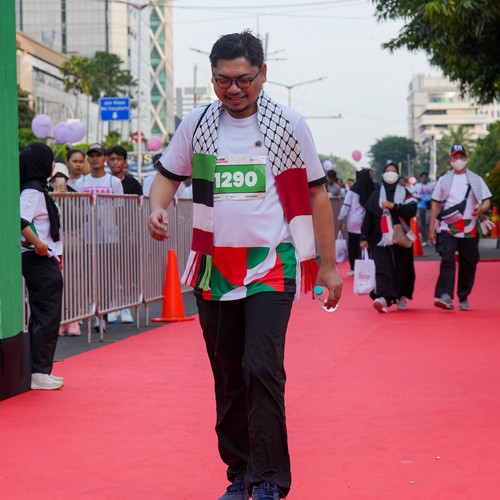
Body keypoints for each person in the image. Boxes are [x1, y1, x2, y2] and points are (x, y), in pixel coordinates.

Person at [147, 30, 342, 500]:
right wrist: (156, 207)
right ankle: (240, 474)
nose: (233, 90)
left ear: (263, 74)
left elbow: (316, 193)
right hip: (214, 270)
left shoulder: (288, 124)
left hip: (272, 266)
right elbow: (167, 177)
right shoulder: (197, 124)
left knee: (262, 368)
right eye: (223, 80)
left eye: (244, 79)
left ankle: (270, 478)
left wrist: (329, 265)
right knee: (229, 374)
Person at [20, 143, 64, 390]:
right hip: (38, 258)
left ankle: (39, 369)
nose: (53, 165)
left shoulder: (34, 190)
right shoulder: (33, 192)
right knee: (46, 314)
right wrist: (39, 245)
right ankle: (39, 371)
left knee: (43, 314)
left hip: (41, 258)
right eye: (50, 160)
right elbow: (20, 221)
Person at [429, 144, 492, 310]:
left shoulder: (476, 179)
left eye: (461, 157)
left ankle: (463, 297)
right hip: (447, 226)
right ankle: (445, 295)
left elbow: (486, 201)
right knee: (447, 258)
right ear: (450, 160)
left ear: (466, 158)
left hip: (469, 226)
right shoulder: (444, 180)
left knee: (468, 261)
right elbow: (435, 204)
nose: (459, 160)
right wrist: (431, 229)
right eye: (455, 157)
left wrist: (481, 208)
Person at [74, 143, 124, 332]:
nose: (95, 159)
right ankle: (93, 312)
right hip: (88, 238)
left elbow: (120, 211)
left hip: (109, 238)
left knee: (107, 277)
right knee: (89, 277)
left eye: (98, 155)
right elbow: (77, 210)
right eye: (92, 155)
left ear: (105, 159)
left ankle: (103, 314)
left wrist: (120, 233)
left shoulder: (113, 182)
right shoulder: (81, 183)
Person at [360, 160, 417, 313]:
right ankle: (384, 298)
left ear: (398, 175)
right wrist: (364, 237)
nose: (390, 174)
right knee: (382, 267)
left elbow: (412, 209)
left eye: (393, 171)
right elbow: (368, 218)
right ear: (383, 175)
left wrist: (394, 206)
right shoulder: (376, 195)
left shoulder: (405, 193)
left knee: (402, 268)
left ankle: (401, 295)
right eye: (388, 171)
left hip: (400, 237)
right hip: (380, 239)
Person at [107, 145, 142, 324]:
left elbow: (138, 210)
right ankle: (111, 305)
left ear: (124, 161)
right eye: (112, 159)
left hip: (127, 234)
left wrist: (133, 232)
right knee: (109, 271)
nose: (115, 162)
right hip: (108, 234)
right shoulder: (106, 182)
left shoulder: (133, 184)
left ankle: (126, 306)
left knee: (126, 271)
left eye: (118, 159)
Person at [48, 163, 81, 337]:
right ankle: (59, 321)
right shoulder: (45, 194)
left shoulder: (74, 194)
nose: (58, 181)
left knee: (73, 284)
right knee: (55, 284)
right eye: (55, 178)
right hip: (52, 246)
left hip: (71, 244)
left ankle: (73, 320)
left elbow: (81, 219)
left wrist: (66, 199)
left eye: (62, 177)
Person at [338, 168, 375, 275]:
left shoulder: (352, 190)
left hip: (353, 222)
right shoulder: (372, 189)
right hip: (367, 222)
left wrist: (341, 218)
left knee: (353, 245)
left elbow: (346, 206)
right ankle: (366, 265)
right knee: (366, 244)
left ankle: (353, 267)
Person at [413, 172, 434, 245]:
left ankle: (429, 237)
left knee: (428, 222)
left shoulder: (431, 185)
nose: (424, 179)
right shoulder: (417, 186)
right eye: (422, 178)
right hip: (420, 206)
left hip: (429, 206)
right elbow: (412, 193)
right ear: (420, 178)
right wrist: (416, 197)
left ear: (427, 178)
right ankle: (424, 239)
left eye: (425, 177)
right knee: (421, 223)